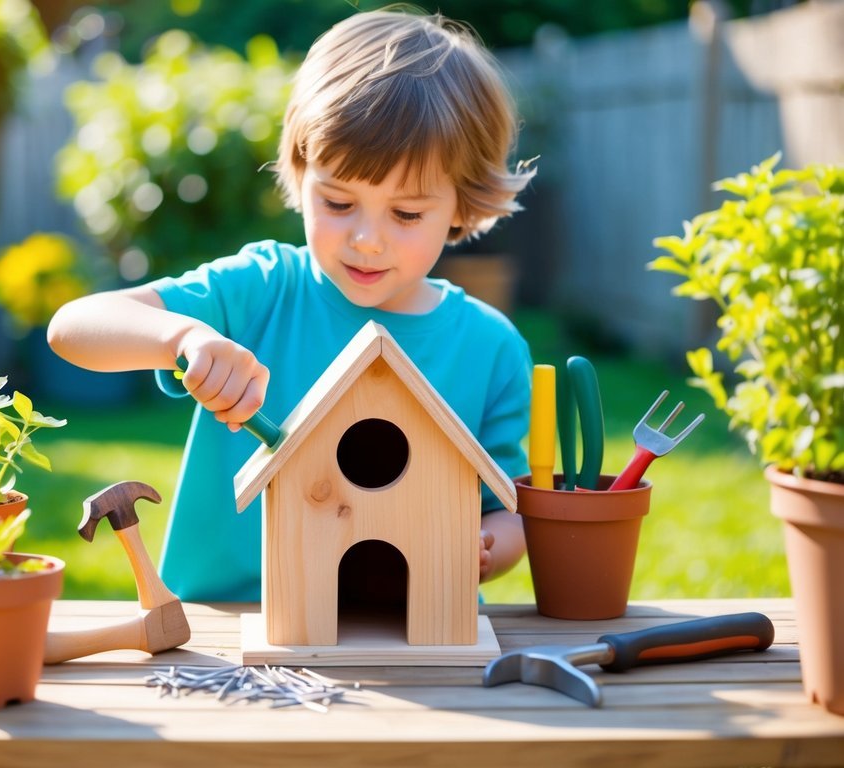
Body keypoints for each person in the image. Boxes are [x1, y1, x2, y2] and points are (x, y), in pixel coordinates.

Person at [48, 9, 536, 602]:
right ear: (301, 174)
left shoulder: (491, 348)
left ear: (462, 205)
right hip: (226, 626)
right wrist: (183, 339)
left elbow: (512, 508)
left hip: (410, 633)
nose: (367, 239)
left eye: (406, 214)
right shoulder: (263, 288)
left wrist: (487, 546)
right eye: (337, 202)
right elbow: (72, 328)